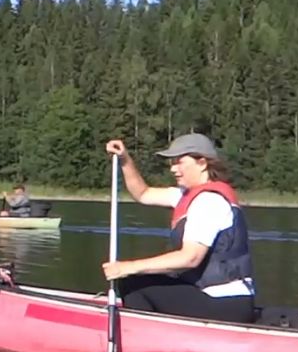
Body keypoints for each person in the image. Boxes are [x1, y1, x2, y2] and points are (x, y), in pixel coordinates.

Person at [103, 134, 256, 324]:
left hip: (226, 303)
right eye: (172, 163)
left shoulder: (209, 201)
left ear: (202, 163)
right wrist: (125, 160)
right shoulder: (186, 196)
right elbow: (143, 193)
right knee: (140, 280)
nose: (173, 169)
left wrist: (129, 267)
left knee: (134, 283)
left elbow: (190, 258)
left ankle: (143, 333)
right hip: (208, 295)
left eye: (179, 162)